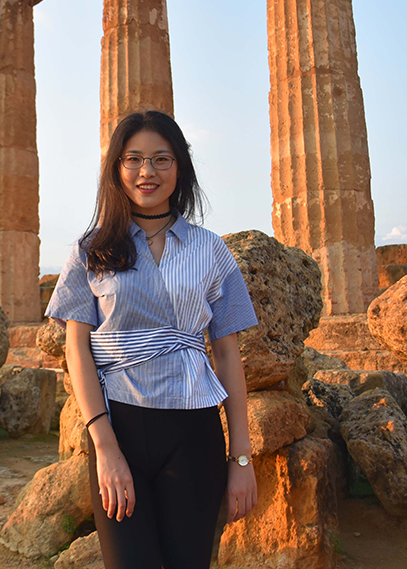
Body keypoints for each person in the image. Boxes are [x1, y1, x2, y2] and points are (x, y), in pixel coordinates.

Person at [46, 110, 258, 569]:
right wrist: (105, 449)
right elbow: (77, 351)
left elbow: (227, 355)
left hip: (194, 432)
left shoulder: (211, 249)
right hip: (118, 427)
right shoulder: (90, 250)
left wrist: (241, 459)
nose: (147, 171)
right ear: (117, 168)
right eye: (134, 159)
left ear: (180, 167)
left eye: (162, 159)